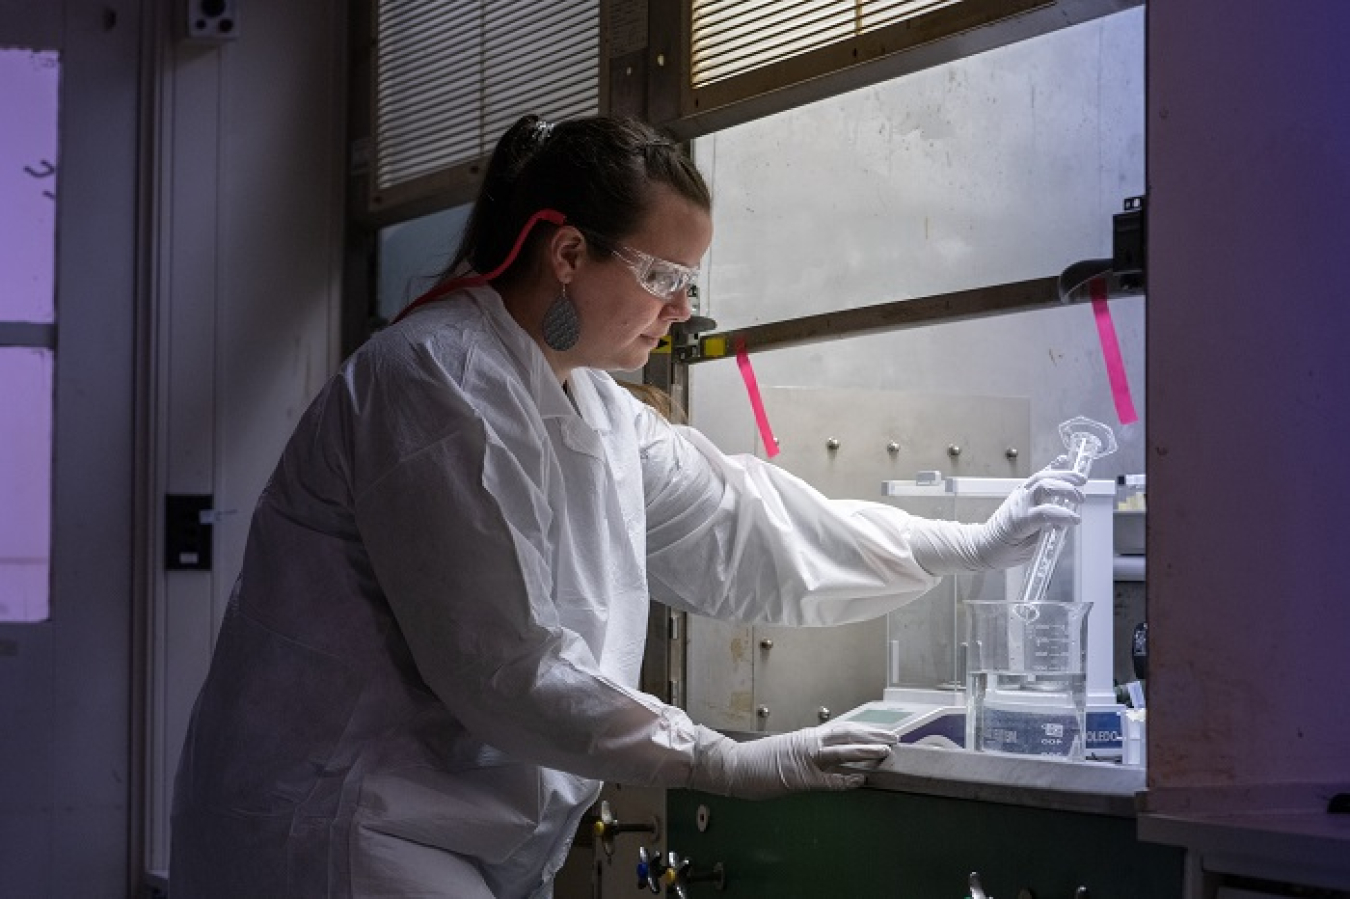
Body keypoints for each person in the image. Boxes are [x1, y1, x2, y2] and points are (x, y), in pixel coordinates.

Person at [170, 114, 1084, 898]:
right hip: (338, 828)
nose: (683, 310)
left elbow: (752, 528)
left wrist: (967, 542)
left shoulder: (597, 408)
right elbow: (506, 665)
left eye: (692, 282)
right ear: (568, 252)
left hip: (445, 834)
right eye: (662, 275)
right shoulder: (434, 382)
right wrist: (717, 758)